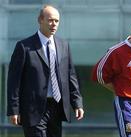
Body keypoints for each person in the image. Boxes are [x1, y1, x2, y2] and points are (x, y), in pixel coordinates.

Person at [7, 5, 84, 137]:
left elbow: (70, 76)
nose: (54, 24)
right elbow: (14, 81)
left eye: (57, 21)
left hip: (57, 107)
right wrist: (14, 109)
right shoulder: (24, 47)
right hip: (33, 109)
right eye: (50, 20)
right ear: (40, 20)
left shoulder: (63, 45)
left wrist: (77, 103)